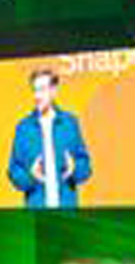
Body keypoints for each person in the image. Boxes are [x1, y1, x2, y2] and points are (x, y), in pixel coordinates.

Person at [6, 69, 92, 209]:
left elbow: (86, 167)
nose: (37, 96)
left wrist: (74, 169)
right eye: (34, 90)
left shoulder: (70, 123)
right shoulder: (23, 128)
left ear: (53, 91)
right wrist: (31, 176)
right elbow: (14, 171)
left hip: (67, 210)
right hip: (36, 211)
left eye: (42, 90)